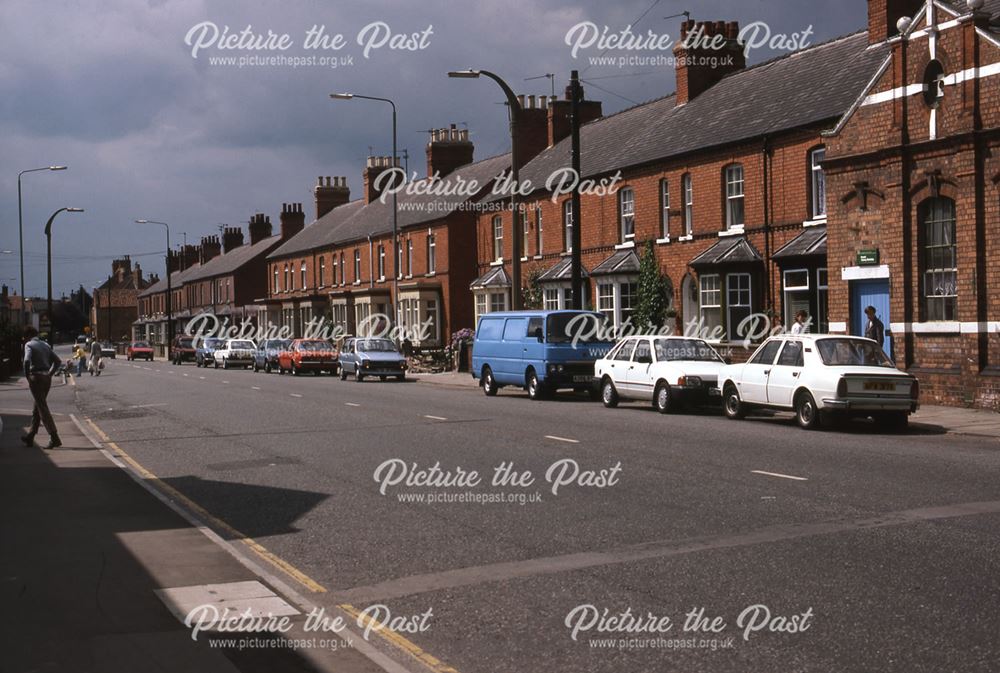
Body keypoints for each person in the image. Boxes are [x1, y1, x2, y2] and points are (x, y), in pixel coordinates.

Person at [21, 325, 62, 449]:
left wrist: (27, 376)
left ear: (28, 336)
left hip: (36, 377)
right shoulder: (45, 345)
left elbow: (27, 361)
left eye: (25, 337)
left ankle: (54, 437)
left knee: (42, 407)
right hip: (46, 378)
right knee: (37, 406)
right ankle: (30, 436)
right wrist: (50, 374)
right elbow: (58, 361)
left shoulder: (29, 345)